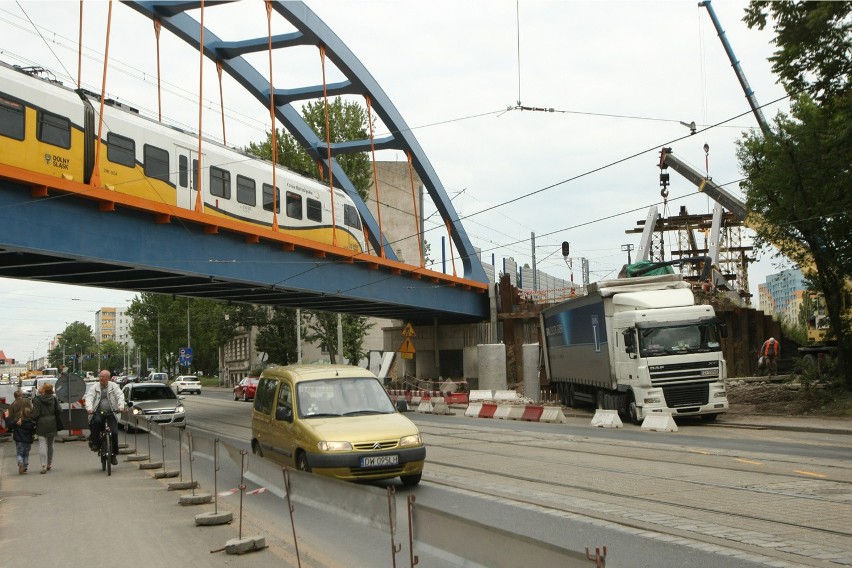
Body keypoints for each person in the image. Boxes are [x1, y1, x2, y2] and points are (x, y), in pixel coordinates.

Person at [83, 369, 126, 466]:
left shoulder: (114, 386)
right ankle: (96, 443)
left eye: (103, 377)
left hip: (111, 412)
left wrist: (121, 406)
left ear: (108, 378)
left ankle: (114, 454)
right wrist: (89, 408)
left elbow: (120, 395)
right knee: (96, 422)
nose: (101, 378)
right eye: (100, 376)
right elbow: (89, 398)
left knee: (114, 433)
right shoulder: (94, 387)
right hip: (97, 412)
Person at [32, 382, 61, 474]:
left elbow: (36, 414)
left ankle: (43, 466)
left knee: (42, 444)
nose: (40, 388)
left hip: (41, 423)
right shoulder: (54, 399)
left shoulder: (37, 399)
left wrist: (29, 416)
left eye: (41, 387)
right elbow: (59, 410)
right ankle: (49, 464)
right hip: (52, 422)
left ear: (44, 390)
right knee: (50, 444)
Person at [5, 400, 36, 474]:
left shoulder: (18, 421)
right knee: (26, 454)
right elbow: (33, 432)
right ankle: (25, 467)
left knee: (19, 454)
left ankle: (20, 463)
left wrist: (7, 416)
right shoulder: (31, 424)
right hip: (28, 441)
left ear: (22, 414)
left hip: (19, 441)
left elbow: (9, 424)